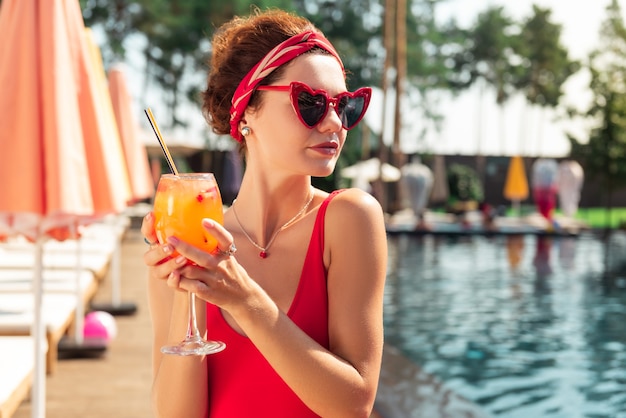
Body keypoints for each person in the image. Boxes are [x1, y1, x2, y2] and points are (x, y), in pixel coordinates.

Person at [141, 8, 387, 418]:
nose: (333, 123)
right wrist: (191, 295)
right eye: (309, 102)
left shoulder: (348, 218)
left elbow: (353, 404)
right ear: (247, 109)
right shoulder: (193, 237)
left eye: (344, 105)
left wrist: (247, 302)